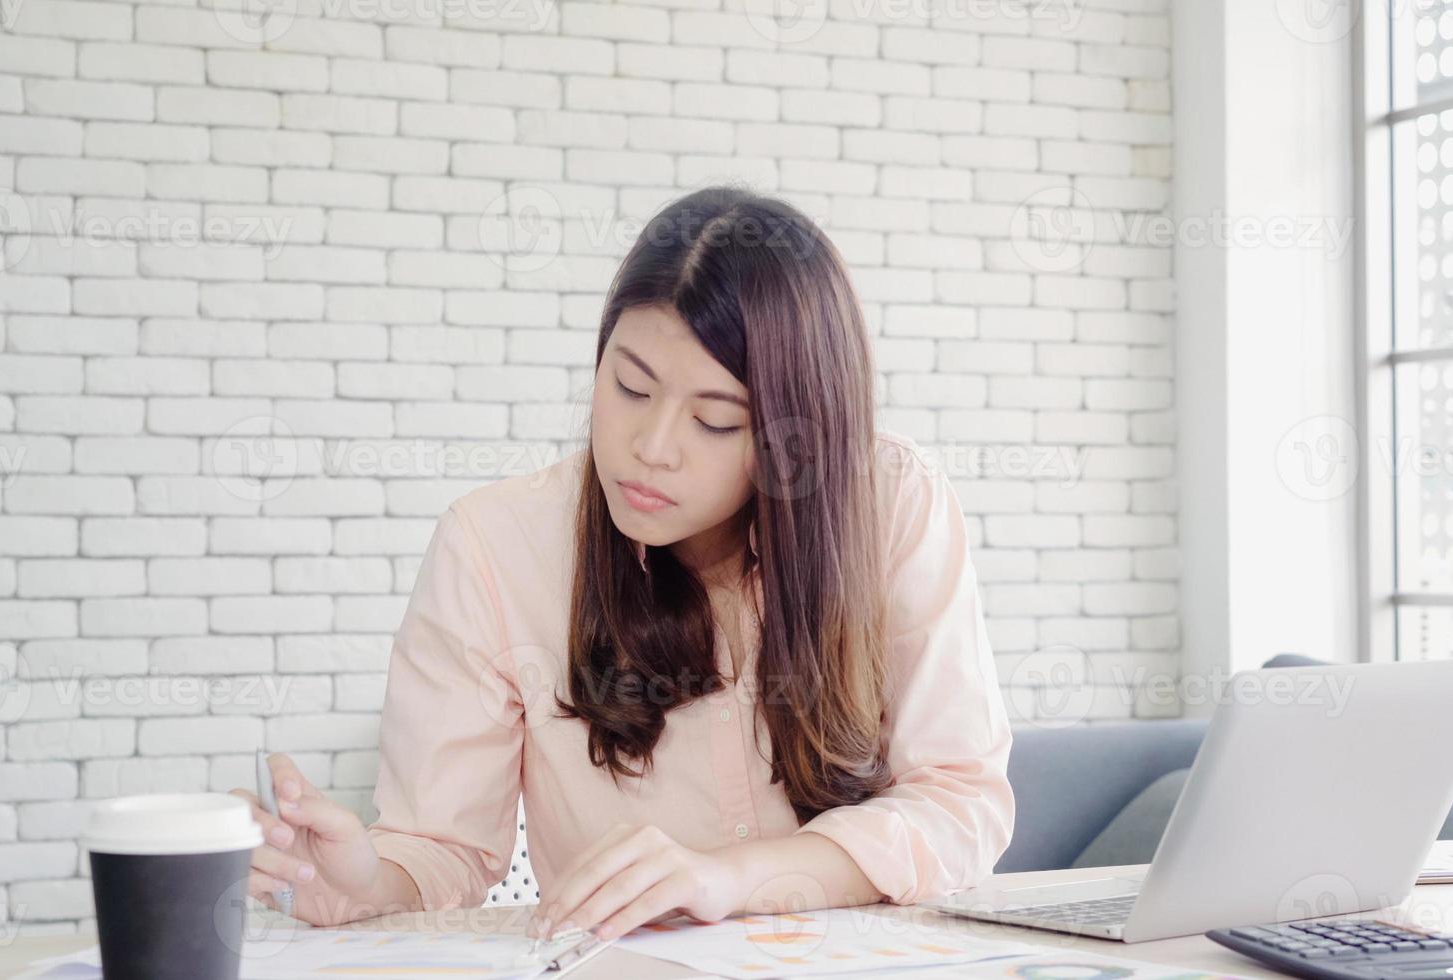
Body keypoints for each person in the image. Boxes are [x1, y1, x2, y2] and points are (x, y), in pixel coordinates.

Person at [229, 185, 1016, 940]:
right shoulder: (496, 546)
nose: (651, 448)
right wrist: (361, 881)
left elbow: (959, 803)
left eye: (715, 422)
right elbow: (444, 848)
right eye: (631, 386)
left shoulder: (888, 504)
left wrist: (731, 879)